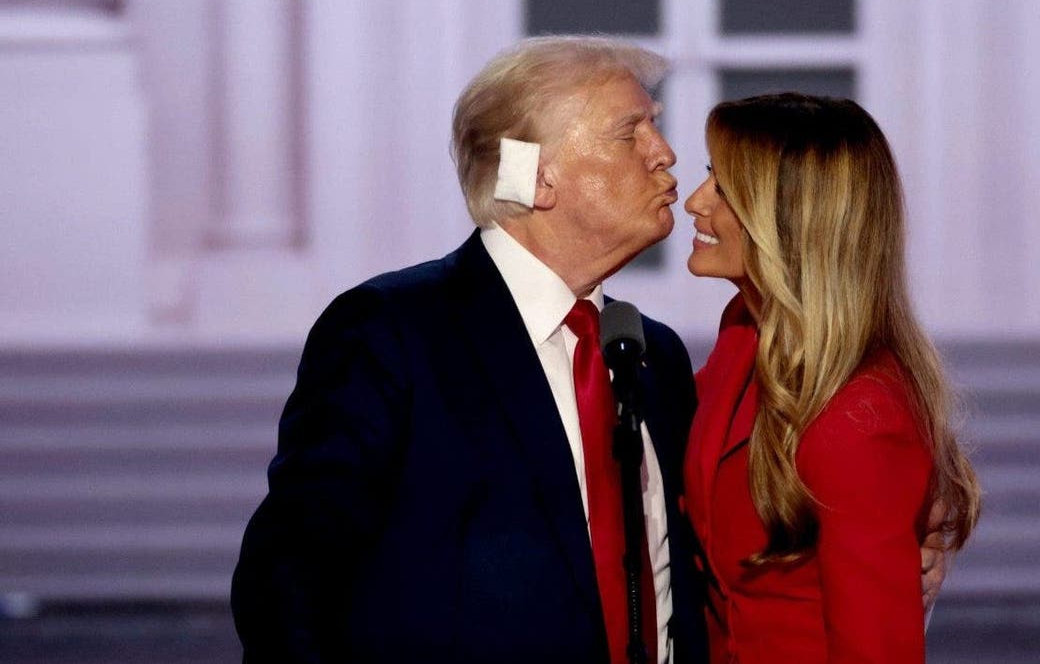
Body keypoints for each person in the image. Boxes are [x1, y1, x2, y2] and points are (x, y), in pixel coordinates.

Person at [231, 36, 706, 663]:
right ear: (537, 177)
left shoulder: (653, 354)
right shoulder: (391, 332)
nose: (665, 154)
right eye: (630, 132)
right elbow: (290, 580)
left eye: (656, 128)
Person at [681, 93, 981, 663]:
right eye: (707, 177)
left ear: (789, 218)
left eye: (722, 187)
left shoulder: (858, 418)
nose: (695, 203)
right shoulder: (744, 331)